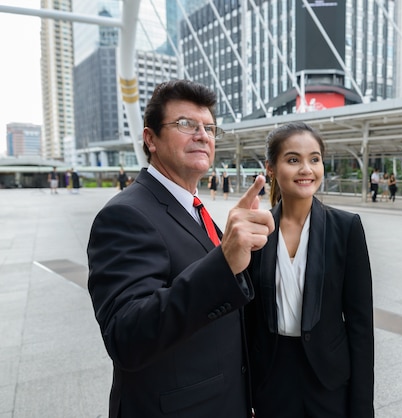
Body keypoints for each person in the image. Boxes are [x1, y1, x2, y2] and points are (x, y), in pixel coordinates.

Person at [87, 79, 275, 417]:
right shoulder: (125, 215)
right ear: (151, 139)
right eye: (186, 124)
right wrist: (224, 262)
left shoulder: (195, 210)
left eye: (210, 128)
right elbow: (126, 337)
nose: (202, 135)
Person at [245, 122, 374, 418]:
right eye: (293, 160)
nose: (306, 169)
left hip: (328, 380)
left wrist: (362, 407)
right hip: (271, 379)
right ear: (271, 168)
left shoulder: (346, 228)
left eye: (314, 159)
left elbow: (360, 324)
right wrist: (246, 390)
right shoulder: (256, 230)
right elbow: (247, 320)